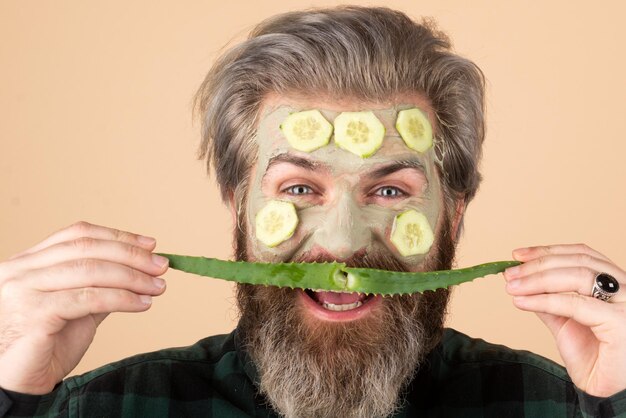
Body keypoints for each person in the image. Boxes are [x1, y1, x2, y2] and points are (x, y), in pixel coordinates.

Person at [0, 5, 624, 418]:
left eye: (390, 191)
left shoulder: (555, 404)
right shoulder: (106, 408)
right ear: (239, 204)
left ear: (454, 216)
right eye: (299, 189)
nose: (345, 243)